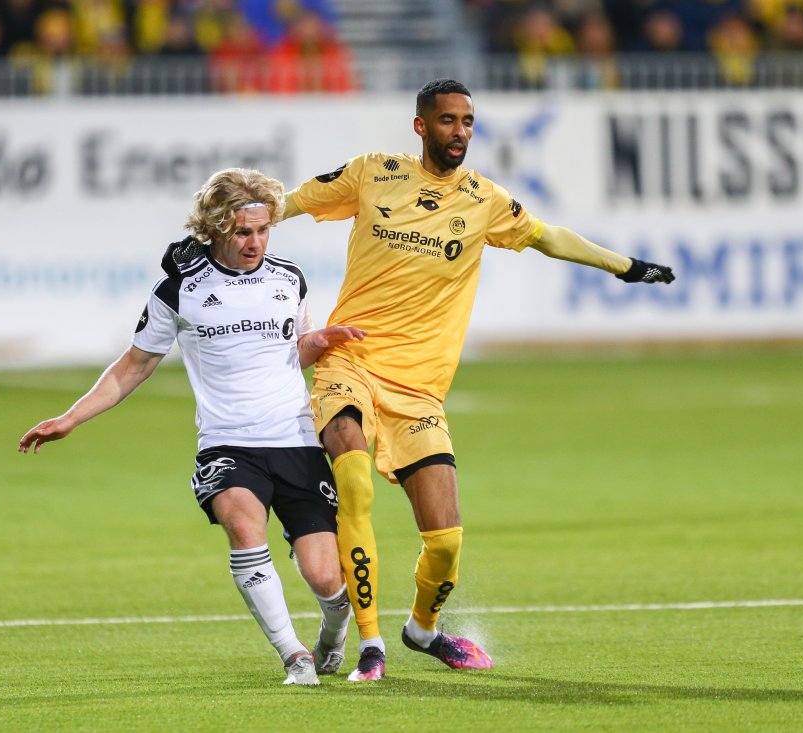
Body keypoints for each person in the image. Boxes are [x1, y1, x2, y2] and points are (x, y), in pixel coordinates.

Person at [280, 78, 675, 681]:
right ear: (421, 126)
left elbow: (548, 236)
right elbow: (293, 203)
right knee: (354, 484)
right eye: (447, 121)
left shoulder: (485, 200)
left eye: (467, 121)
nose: (460, 131)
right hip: (350, 363)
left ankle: (422, 631)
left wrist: (623, 265)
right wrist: (237, 220)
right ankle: (370, 645)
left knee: (445, 544)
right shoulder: (372, 173)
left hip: (418, 391)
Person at [18, 168, 366, 685]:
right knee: (245, 529)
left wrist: (324, 340)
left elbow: (292, 351)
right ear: (216, 227)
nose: (255, 242)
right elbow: (132, 366)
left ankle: (333, 630)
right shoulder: (180, 290)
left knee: (327, 579)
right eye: (243, 231)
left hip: (295, 438)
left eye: (263, 230)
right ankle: (294, 656)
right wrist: (71, 417)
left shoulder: (288, 278)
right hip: (227, 443)